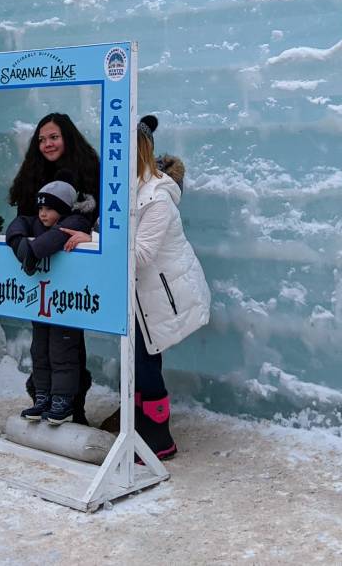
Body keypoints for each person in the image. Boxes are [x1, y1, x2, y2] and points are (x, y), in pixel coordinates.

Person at [63, 114, 210, 459]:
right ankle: (141, 425)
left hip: (160, 296)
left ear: (139, 152)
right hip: (139, 295)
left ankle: (160, 440)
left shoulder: (157, 198)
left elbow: (140, 254)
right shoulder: (127, 189)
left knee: (146, 364)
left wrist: (90, 240)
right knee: (139, 360)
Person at [10, 113, 100, 425]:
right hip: (41, 275)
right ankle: (42, 399)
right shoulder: (33, 177)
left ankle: (73, 407)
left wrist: (35, 248)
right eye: (42, 139)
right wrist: (19, 241)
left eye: (54, 137)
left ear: (68, 138)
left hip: (72, 275)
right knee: (41, 341)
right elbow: (23, 217)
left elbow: (85, 221)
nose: (47, 144)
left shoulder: (87, 173)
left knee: (67, 343)